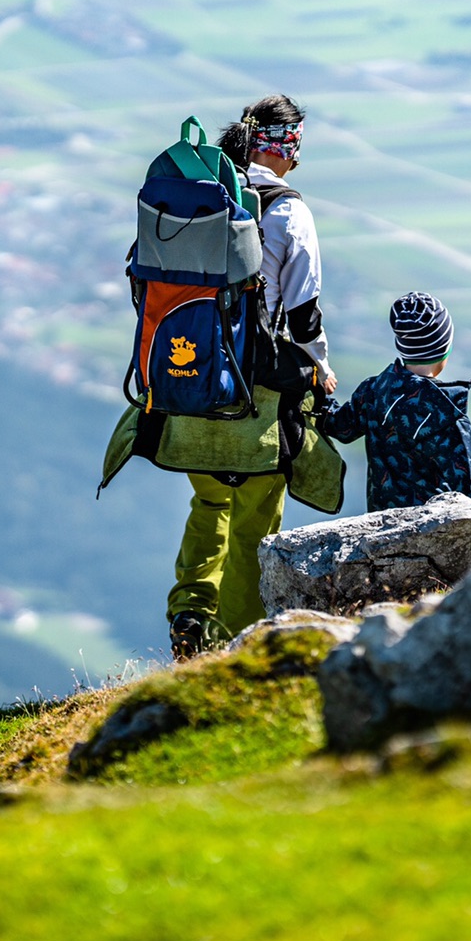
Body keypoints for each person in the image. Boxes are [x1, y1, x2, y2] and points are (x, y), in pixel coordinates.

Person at [165, 94, 337, 660]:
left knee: (209, 501)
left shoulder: (202, 199)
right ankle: (228, 649)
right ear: (286, 146)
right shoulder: (289, 212)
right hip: (254, 393)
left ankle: (189, 609)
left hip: (188, 380)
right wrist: (321, 368)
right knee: (256, 519)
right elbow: (305, 312)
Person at [323, 291, 471, 513]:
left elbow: (340, 428)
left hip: (382, 520)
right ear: (446, 346)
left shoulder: (374, 390)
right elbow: (467, 481)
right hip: (431, 525)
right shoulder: (445, 412)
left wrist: (317, 393)